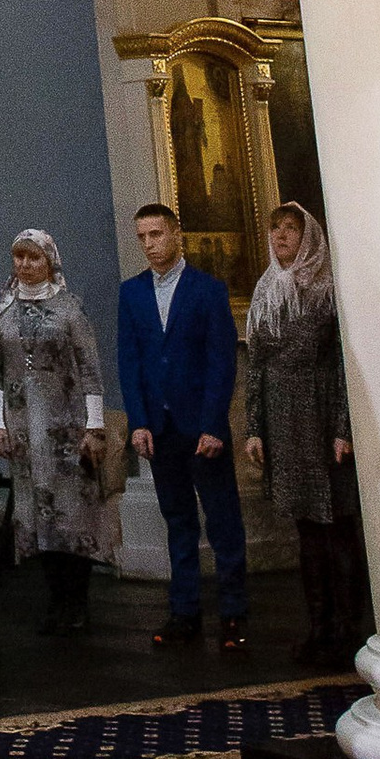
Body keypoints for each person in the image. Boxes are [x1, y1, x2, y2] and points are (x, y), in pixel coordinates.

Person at [119, 201, 247, 652]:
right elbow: (129, 362)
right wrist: (138, 422)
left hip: (202, 427)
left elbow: (221, 362)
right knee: (177, 521)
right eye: (142, 237)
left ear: (176, 233)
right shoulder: (132, 292)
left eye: (156, 234)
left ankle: (233, 613)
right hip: (160, 426)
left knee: (223, 520)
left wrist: (214, 424)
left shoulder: (207, 289)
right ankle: (184, 612)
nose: (149, 244)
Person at [245, 200, 366, 668]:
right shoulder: (265, 291)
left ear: (308, 236)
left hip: (321, 420)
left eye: (290, 229)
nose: (280, 237)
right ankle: (318, 627)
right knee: (306, 531)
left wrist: (343, 428)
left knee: (338, 528)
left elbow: (343, 366)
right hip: (283, 423)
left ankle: (348, 630)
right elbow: (256, 366)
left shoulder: (328, 290)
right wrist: (255, 429)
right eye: (274, 229)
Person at [0, 230, 108, 636]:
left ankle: (77, 601)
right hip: (25, 431)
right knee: (39, 518)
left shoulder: (70, 306)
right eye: (18, 257)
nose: (24, 265)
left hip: (67, 429)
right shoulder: (2, 307)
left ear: (50, 261)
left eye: (33, 257)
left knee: (74, 517)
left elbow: (90, 369)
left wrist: (95, 426)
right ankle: (56, 601)